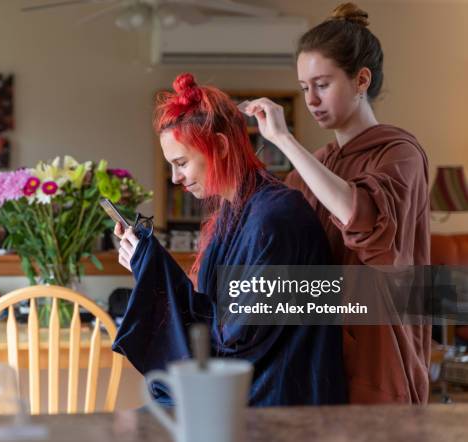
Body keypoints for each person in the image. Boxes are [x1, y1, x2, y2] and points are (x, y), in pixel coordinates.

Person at [111, 73, 347, 406]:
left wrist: (153, 268)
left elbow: (234, 338)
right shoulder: (234, 212)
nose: (176, 178)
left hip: (274, 399)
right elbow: (216, 318)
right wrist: (146, 264)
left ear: (220, 146)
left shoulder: (274, 220)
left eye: (181, 163)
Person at [244, 2, 430, 404]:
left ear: (361, 79)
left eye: (322, 84)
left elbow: (363, 220)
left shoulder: (400, 153)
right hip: (320, 355)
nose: (311, 99)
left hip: (379, 356)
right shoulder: (320, 163)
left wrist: (285, 141)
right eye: (304, 87)